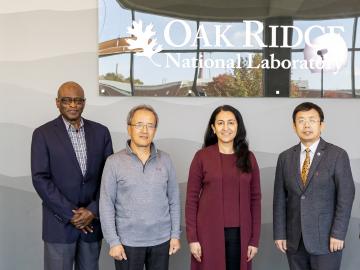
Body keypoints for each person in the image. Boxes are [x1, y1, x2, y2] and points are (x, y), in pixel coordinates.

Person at [31, 81, 113, 270]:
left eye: (78, 100)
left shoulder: (101, 132)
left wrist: (92, 211)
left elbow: (108, 178)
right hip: (59, 226)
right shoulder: (43, 134)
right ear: (57, 102)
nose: (73, 105)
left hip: (92, 225)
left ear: (84, 102)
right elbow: (40, 178)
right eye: (67, 100)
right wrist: (72, 214)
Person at [273, 102, 355, 270]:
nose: (307, 125)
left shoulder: (337, 155)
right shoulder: (285, 158)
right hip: (294, 240)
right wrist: (280, 233)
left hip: (327, 240)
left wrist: (338, 234)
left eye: (312, 120)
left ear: (321, 125)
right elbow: (279, 199)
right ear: (294, 126)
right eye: (301, 120)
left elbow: (346, 196)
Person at [99, 104, 181, 270]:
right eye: (139, 125)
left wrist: (175, 235)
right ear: (129, 128)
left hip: (161, 240)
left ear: (155, 130)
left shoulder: (166, 160)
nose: (145, 130)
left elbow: (174, 200)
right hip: (127, 242)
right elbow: (106, 203)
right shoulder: (113, 162)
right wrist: (113, 241)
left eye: (150, 126)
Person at [185, 105, 261, 270]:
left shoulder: (249, 158)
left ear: (237, 126)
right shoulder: (202, 157)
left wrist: (254, 239)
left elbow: (255, 200)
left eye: (231, 123)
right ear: (213, 128)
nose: (226, 128)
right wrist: (193, 238)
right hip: (207, 233)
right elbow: (191, 200)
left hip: (241, 236)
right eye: (220, 123)